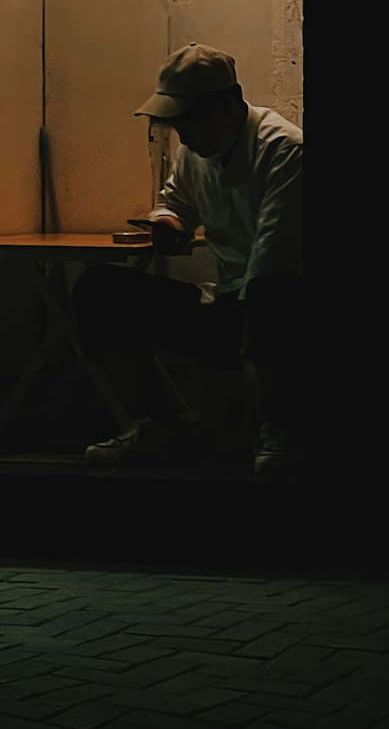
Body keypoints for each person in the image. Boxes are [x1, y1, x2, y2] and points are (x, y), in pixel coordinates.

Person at [72, 42, 303, 476]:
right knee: (99, 289)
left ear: (227, 108)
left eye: (188, 123)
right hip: (229, 306)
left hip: (280, 315)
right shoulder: (199, 149)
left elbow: (272, 259)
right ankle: (162, 425)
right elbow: (175, 201)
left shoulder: (285, 151)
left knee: (271, 293)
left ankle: (280, 425)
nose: (182, 136)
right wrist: (169, 222)